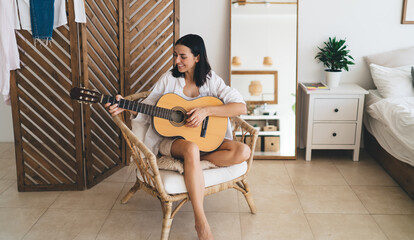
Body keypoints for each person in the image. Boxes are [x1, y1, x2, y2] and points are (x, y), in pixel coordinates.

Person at [106, 34, 250, 240]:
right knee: (190, 148)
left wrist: (206, 111)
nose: (176, 61)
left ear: (197, 57)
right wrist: (125, 106)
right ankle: (201, 222)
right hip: (171, 142)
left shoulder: (211, 79)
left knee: (243, 151)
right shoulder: (169, 79)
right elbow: (147, 108)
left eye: (183, 56)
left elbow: (240, 107)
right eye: (175, 55)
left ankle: (193, 163)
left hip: (203, 140)